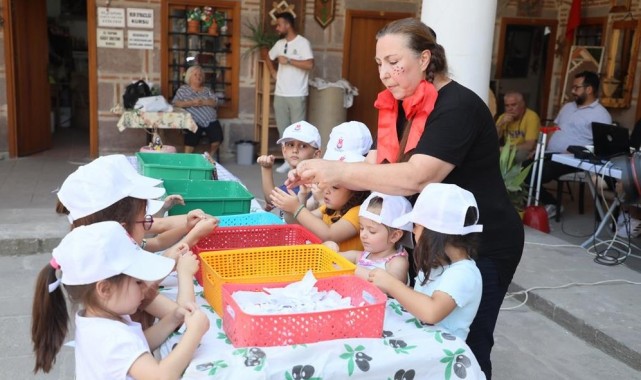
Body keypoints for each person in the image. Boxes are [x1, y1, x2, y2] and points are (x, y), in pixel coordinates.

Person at [287, 18, 523, 379]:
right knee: (427, 331)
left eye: (394, 62)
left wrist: (338, 172)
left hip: (479, 240)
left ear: (425, 59)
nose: (384, 73)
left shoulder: (457, 106)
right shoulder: (401, 103)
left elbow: (416, 175)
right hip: (431, 234)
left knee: (469, 342)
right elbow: (381, 159)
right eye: (379, 63)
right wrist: (316, 169)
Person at [31, 221, 209, 378]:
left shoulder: (95, 319)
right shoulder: (113, 338)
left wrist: (172, 319)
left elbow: (139, 343)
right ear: (105, 289)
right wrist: (195, 332)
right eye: (138, 282)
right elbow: (161, 376)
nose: (145, 287)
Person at [368, 183, 483, 340]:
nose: (414, 231)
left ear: (434, 233)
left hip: (440, 353)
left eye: (417, 226)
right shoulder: (436, 264)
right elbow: (418, 300)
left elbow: (431, 312)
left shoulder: (463, 273)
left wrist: (392, 284)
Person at [527, 71, 612, 218]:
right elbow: (554, 130)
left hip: (574, 159)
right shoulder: (568, 107)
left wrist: (577, 153)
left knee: (535, 172)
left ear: (589, 89)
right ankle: (537, 202)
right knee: (522, 168)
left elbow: (602, 148)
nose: (572, 91)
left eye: (576, 87)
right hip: (550, 154)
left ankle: (552, 204)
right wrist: (540, 150)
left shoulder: (601, 115)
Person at [273, 150, 369, 251]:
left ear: (356, 192)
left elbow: (329, 234)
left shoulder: (358, 213)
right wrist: (299, 198)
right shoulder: (329, 208)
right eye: (325, 184)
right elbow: (298, 223)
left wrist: (296, 208)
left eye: (335, 187)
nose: (326, 191)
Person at [268, 11, 314, 173]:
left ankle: (299, 164)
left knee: (298, 133)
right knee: (284, 130)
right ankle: (289, 162)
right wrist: (273, 72)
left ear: (288, 25)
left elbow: (309, 64)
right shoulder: (279, 44)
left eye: (279, 24)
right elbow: (268, 56)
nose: (277, 27)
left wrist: (288, 60)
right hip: (280, 93)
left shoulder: (303, 43)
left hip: (297, 93)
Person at [337, 191, 413, 283]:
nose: (363, 235)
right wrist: (329, 248)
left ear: (394, 236)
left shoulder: (397, 262)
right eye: (361, 228)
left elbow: (393, 284)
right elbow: (333, 258)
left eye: (372, 231)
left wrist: (353, 269)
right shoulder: (361, 256)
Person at [257, 121, 321, 214]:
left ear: (316, 154)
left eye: (303, 146)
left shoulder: (316, 184)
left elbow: (304, 215)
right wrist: (266, 168)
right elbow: (272, 199)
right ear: (284, 150)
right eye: (291, 145)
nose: (295, 150)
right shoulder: (291, 180)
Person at [172, 65, 223, 158]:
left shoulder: (207, 90)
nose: (199, 76)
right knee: (191, 139)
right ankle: (186, 159)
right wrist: (191, 102)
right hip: (193, 120)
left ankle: (210, 157)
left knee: (217, 139)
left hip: (211, 120)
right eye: (195, 74)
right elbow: (176, 103)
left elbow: (215, 102)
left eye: (200, 75)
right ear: (189, 77)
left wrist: (204, 101)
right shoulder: (183, 90)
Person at [495, 91, 540, 162]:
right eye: (507, 105)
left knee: (518, 156)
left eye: (513, 105)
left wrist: (505, 149)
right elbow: (491, 139)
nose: (510, 109)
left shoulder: (531, 117)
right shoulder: (503, 117)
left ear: (522, 104)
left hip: (523, 150)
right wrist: (500, 123)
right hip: (508, 149)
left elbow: (529, 145)